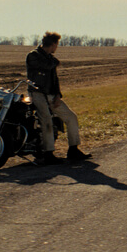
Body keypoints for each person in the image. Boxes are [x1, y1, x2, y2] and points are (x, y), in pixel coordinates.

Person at [26, 31, 91, 165]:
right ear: (53, 44)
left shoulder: (50, 58)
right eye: (57, 44)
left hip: (51, 95)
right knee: (46, 120)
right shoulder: (33, 55)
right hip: (37, 94)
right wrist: (54, 62)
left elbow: (55, 79)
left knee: (71, 117)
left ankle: (73, 149)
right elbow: (45, 66)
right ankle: (48, 154)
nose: (57, 47)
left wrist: (58, 95)